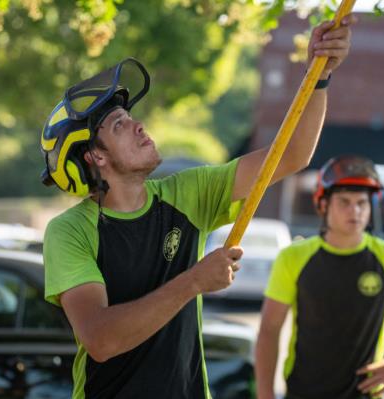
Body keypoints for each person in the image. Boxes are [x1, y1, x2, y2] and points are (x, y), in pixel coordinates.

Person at [40, 16, 355, 399]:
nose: (138, 125)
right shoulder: (70, 231)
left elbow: (290, 155)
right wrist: (194, 281)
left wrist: (318, 75)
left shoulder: (188, 192)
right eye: (119, 125)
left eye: (131, 117)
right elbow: (101, 340)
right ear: (95, 158)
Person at [255, 155, 384, 399]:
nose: (355, 211)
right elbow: (269, 329)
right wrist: (265, 395)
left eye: (362, 203)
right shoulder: (293, 257)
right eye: (345, 202)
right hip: (302, 392)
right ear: (323, 204)